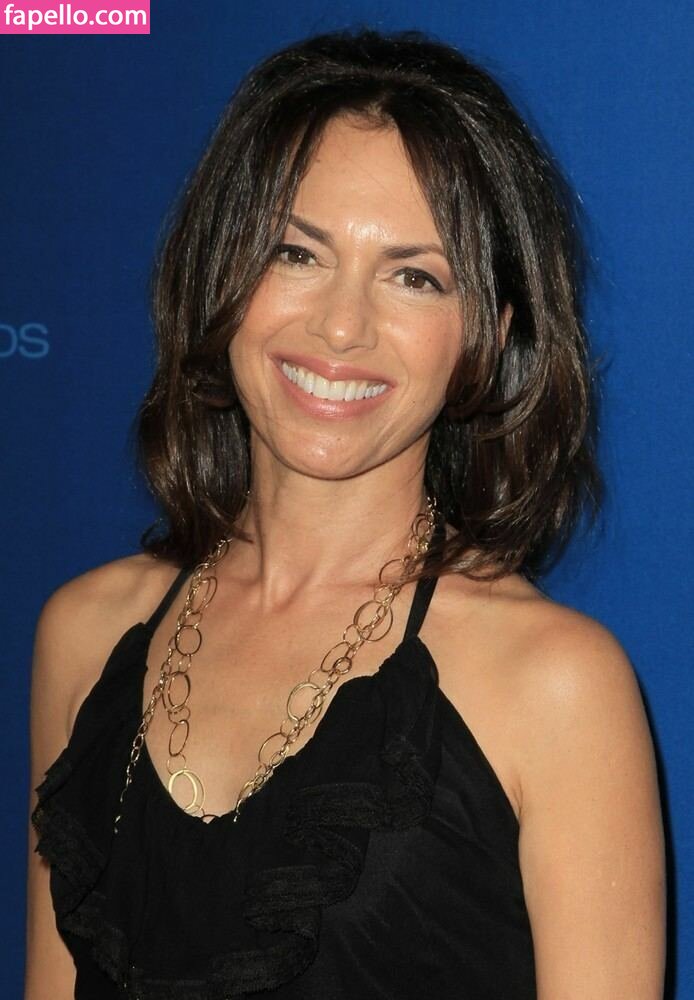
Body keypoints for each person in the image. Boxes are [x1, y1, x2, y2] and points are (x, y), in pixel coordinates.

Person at [25, 27, 666, 1000]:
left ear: (488, 336)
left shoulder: (556, 687)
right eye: (296, 252)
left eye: (415, 276)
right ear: (220, 273)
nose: (340, 326)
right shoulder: (83, 632)